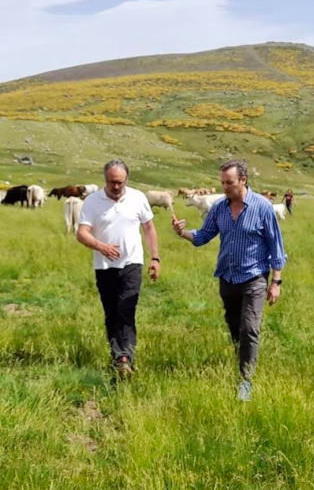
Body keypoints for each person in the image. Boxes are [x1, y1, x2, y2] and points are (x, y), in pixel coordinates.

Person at [171, 160, 287, 401]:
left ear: (243, 180)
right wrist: (182, 232)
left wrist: (276, 282)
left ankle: (246, 380)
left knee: (250, 328)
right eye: (222, 182)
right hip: (227, 277)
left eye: (229, 182)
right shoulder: (219, 208)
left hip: (254, 277)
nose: (224, 187)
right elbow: (203, 236)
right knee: (235, 327)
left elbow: (276, 245)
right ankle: (242, 355)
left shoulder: (262, 207)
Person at [76, 159, 160, 378]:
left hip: (132, 263)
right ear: (105, 180)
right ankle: (117, 356)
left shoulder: (138, 198)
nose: (115, 187)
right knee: (111, 312)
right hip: (104, 266)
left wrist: (155, 258)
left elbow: (149, 228)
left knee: (126, 308)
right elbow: (82, 233)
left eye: (120, 183)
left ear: (127, 180)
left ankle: (125, 358)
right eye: (111, 182)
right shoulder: (93, 201)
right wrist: (100, 246)